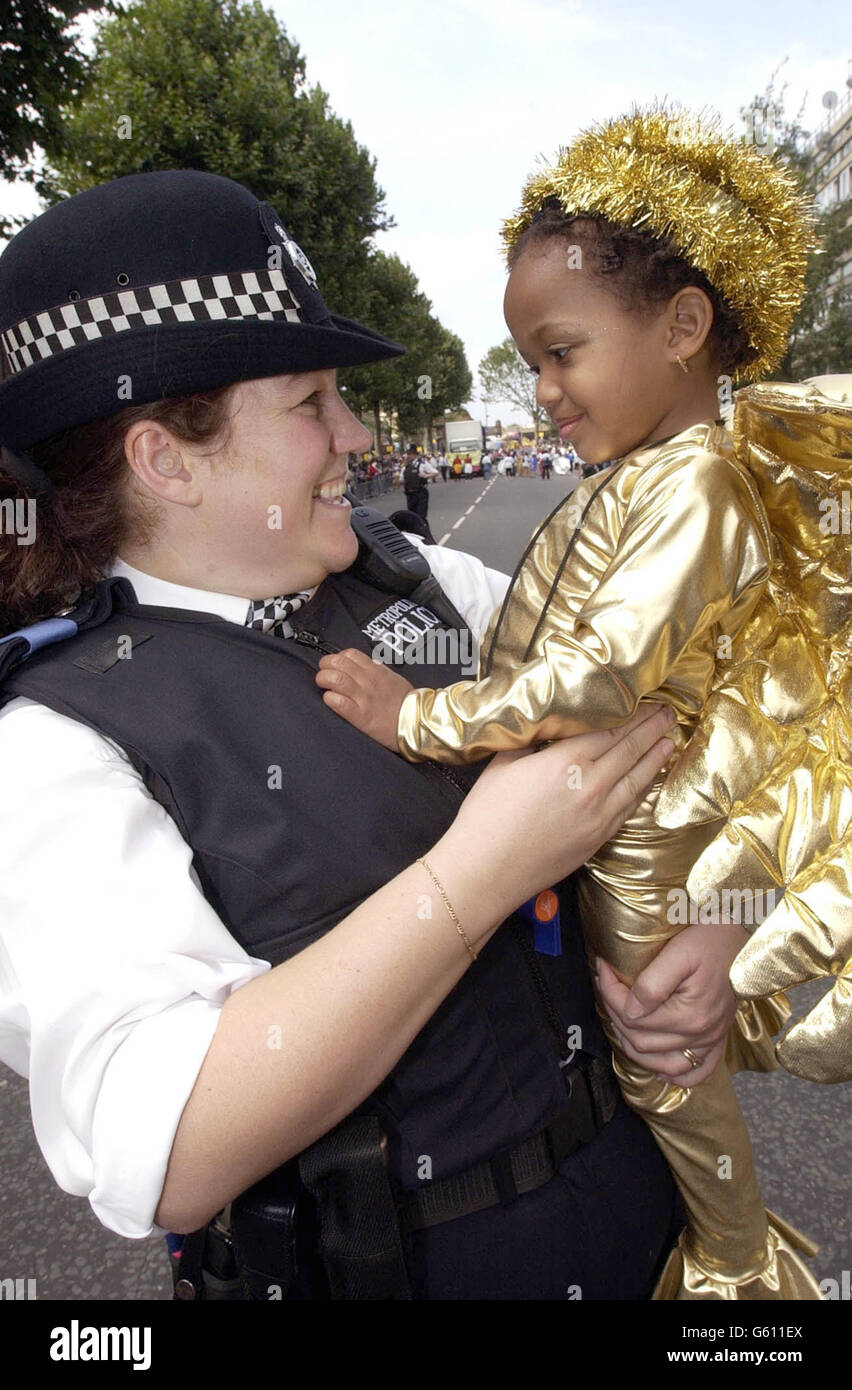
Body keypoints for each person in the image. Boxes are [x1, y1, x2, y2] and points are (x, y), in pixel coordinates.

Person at [0, 165, 738, 1303]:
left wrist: (715, 933)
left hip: (640, 1224)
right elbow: (166, 1149)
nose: (355, 435)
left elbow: (706, 707)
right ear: (166, 459)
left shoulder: (422, 584)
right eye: (309, 404)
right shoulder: (62, 740)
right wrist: (479, 871)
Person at [313, 105, 828, 1300]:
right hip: (618, 840)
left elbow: (594, 671)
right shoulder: (642, 476)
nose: (541, 390)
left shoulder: (697, 483)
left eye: (562, 351)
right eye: (533, 361)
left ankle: (744, 1281)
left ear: (686, 326)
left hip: (647, 857)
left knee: (662, 1066)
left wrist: (416, 720)